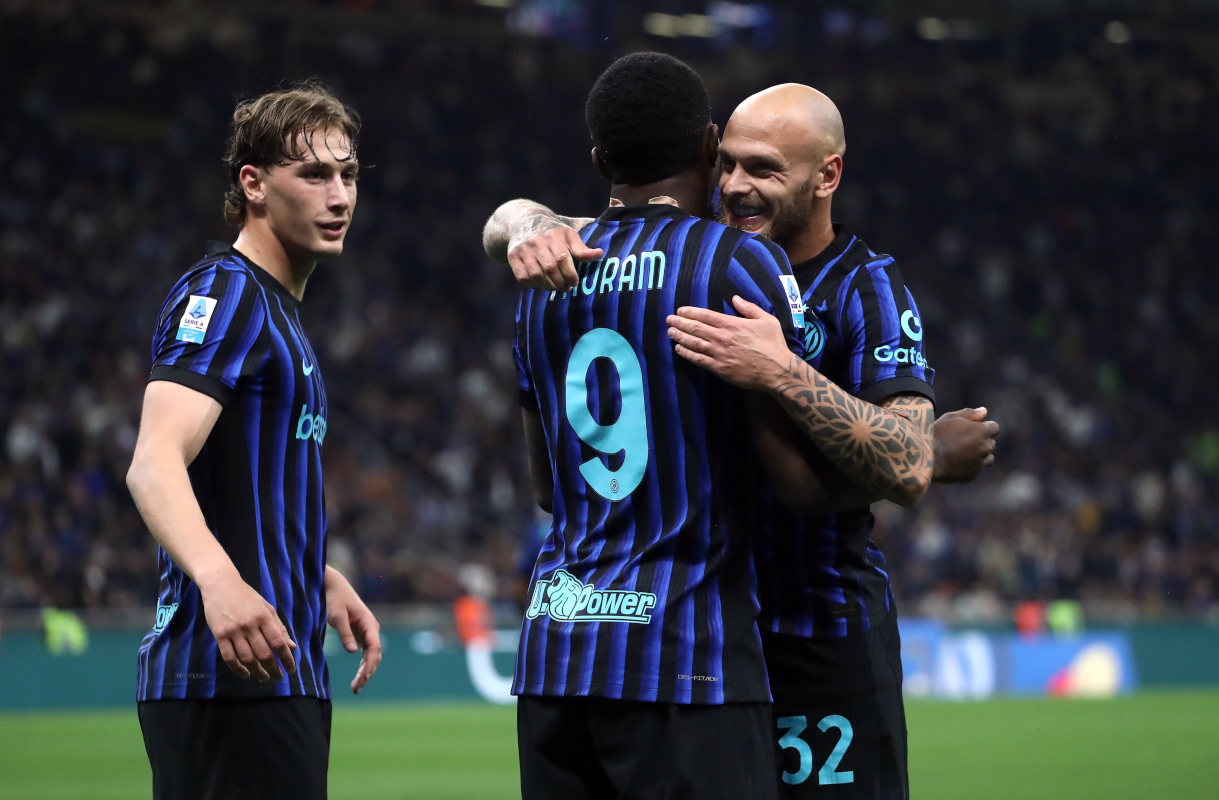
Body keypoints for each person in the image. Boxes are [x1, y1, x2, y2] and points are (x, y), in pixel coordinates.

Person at [485, 83, 999, 799]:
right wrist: (524, 225)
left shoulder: (866, 289)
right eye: (724, 164)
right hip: (708, 636)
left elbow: (905, 463)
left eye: (761, 170)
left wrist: (783, 372)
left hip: (814, 634)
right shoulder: (700, 251)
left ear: (826, 176)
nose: (733, 187)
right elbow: (521, 218)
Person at [505, 52, 813, 800]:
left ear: (599, 161)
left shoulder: (541, 283)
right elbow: (798, 474)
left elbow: (547, 486)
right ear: (711, 146)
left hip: (555, 655)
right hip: (686, 658)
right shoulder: (737, 262)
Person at [125, 81, 382, 800]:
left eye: (348, 175)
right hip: (224, 678)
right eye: (314, 174)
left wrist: (309, 574)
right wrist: (220, 579)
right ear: (254, 184)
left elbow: (241, 483)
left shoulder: (278, 311)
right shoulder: (227, 292)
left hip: (273, 667)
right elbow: (153, 463)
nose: (339, 196)